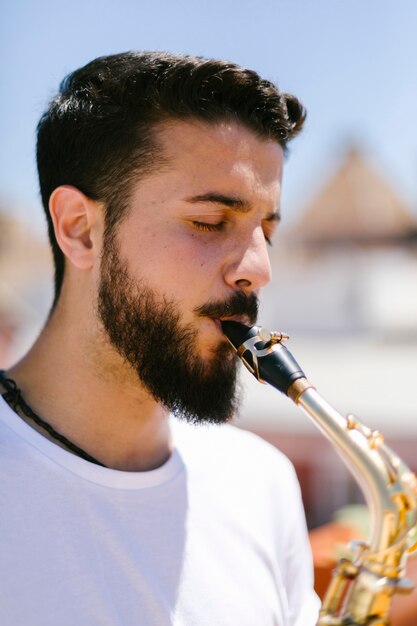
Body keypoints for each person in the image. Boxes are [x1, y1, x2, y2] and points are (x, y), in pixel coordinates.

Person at [0, 51, 320, 625]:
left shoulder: (262, 483)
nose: (258, 268)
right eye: (209, 221)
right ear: (80, 229)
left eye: (266, 230)